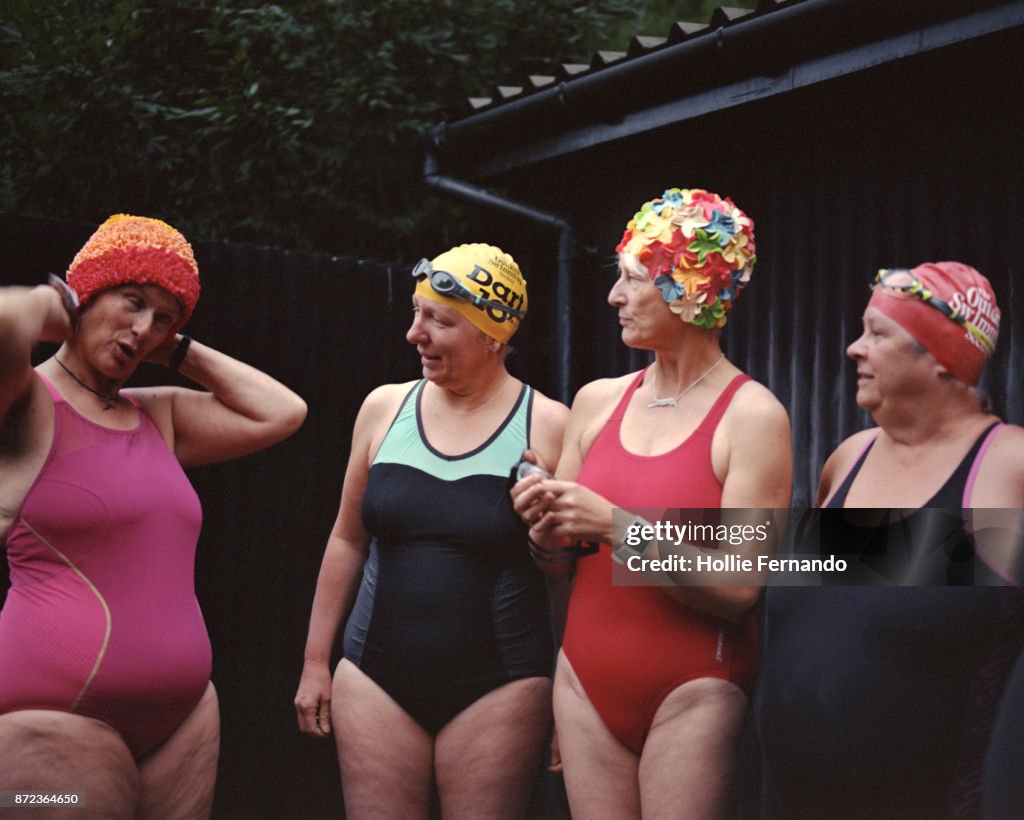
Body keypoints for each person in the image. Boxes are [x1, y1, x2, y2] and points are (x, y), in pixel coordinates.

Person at [0, 214, 307, 819]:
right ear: (85, 294)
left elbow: (283, 412)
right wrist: (50, 303)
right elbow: (6, 323)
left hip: (181, 722)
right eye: (131, 302)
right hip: (54, 724)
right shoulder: (25, 404)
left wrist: (182, 351)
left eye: (163, 319)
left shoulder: (156, 415)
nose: (142, 331)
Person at [512, 188, 792, 819]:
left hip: (694, 688)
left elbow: (742, 587)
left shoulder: (752, 416)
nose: (614, 296)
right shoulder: (596, 400)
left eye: (633, 279)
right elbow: (558, 565)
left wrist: (613, 525)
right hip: (583, 680)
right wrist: (545, 530)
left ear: (689, 290)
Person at [294, 244, 568, 818]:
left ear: (492, 335)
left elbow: (570, 577)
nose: (414, 334)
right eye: (416, 313)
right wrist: (316, 660)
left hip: (502, 686)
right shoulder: (383, 409)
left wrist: (572, 699)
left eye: (437, 320)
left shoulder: (549, 425)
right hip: (374, 680)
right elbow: (347, 538)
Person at [753, 261, 1024, 819]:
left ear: (945, 357)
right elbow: (756, 569)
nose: (854, 348)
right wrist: (626, 535)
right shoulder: (847, 460)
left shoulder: (1007, 468)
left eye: (878, 333)